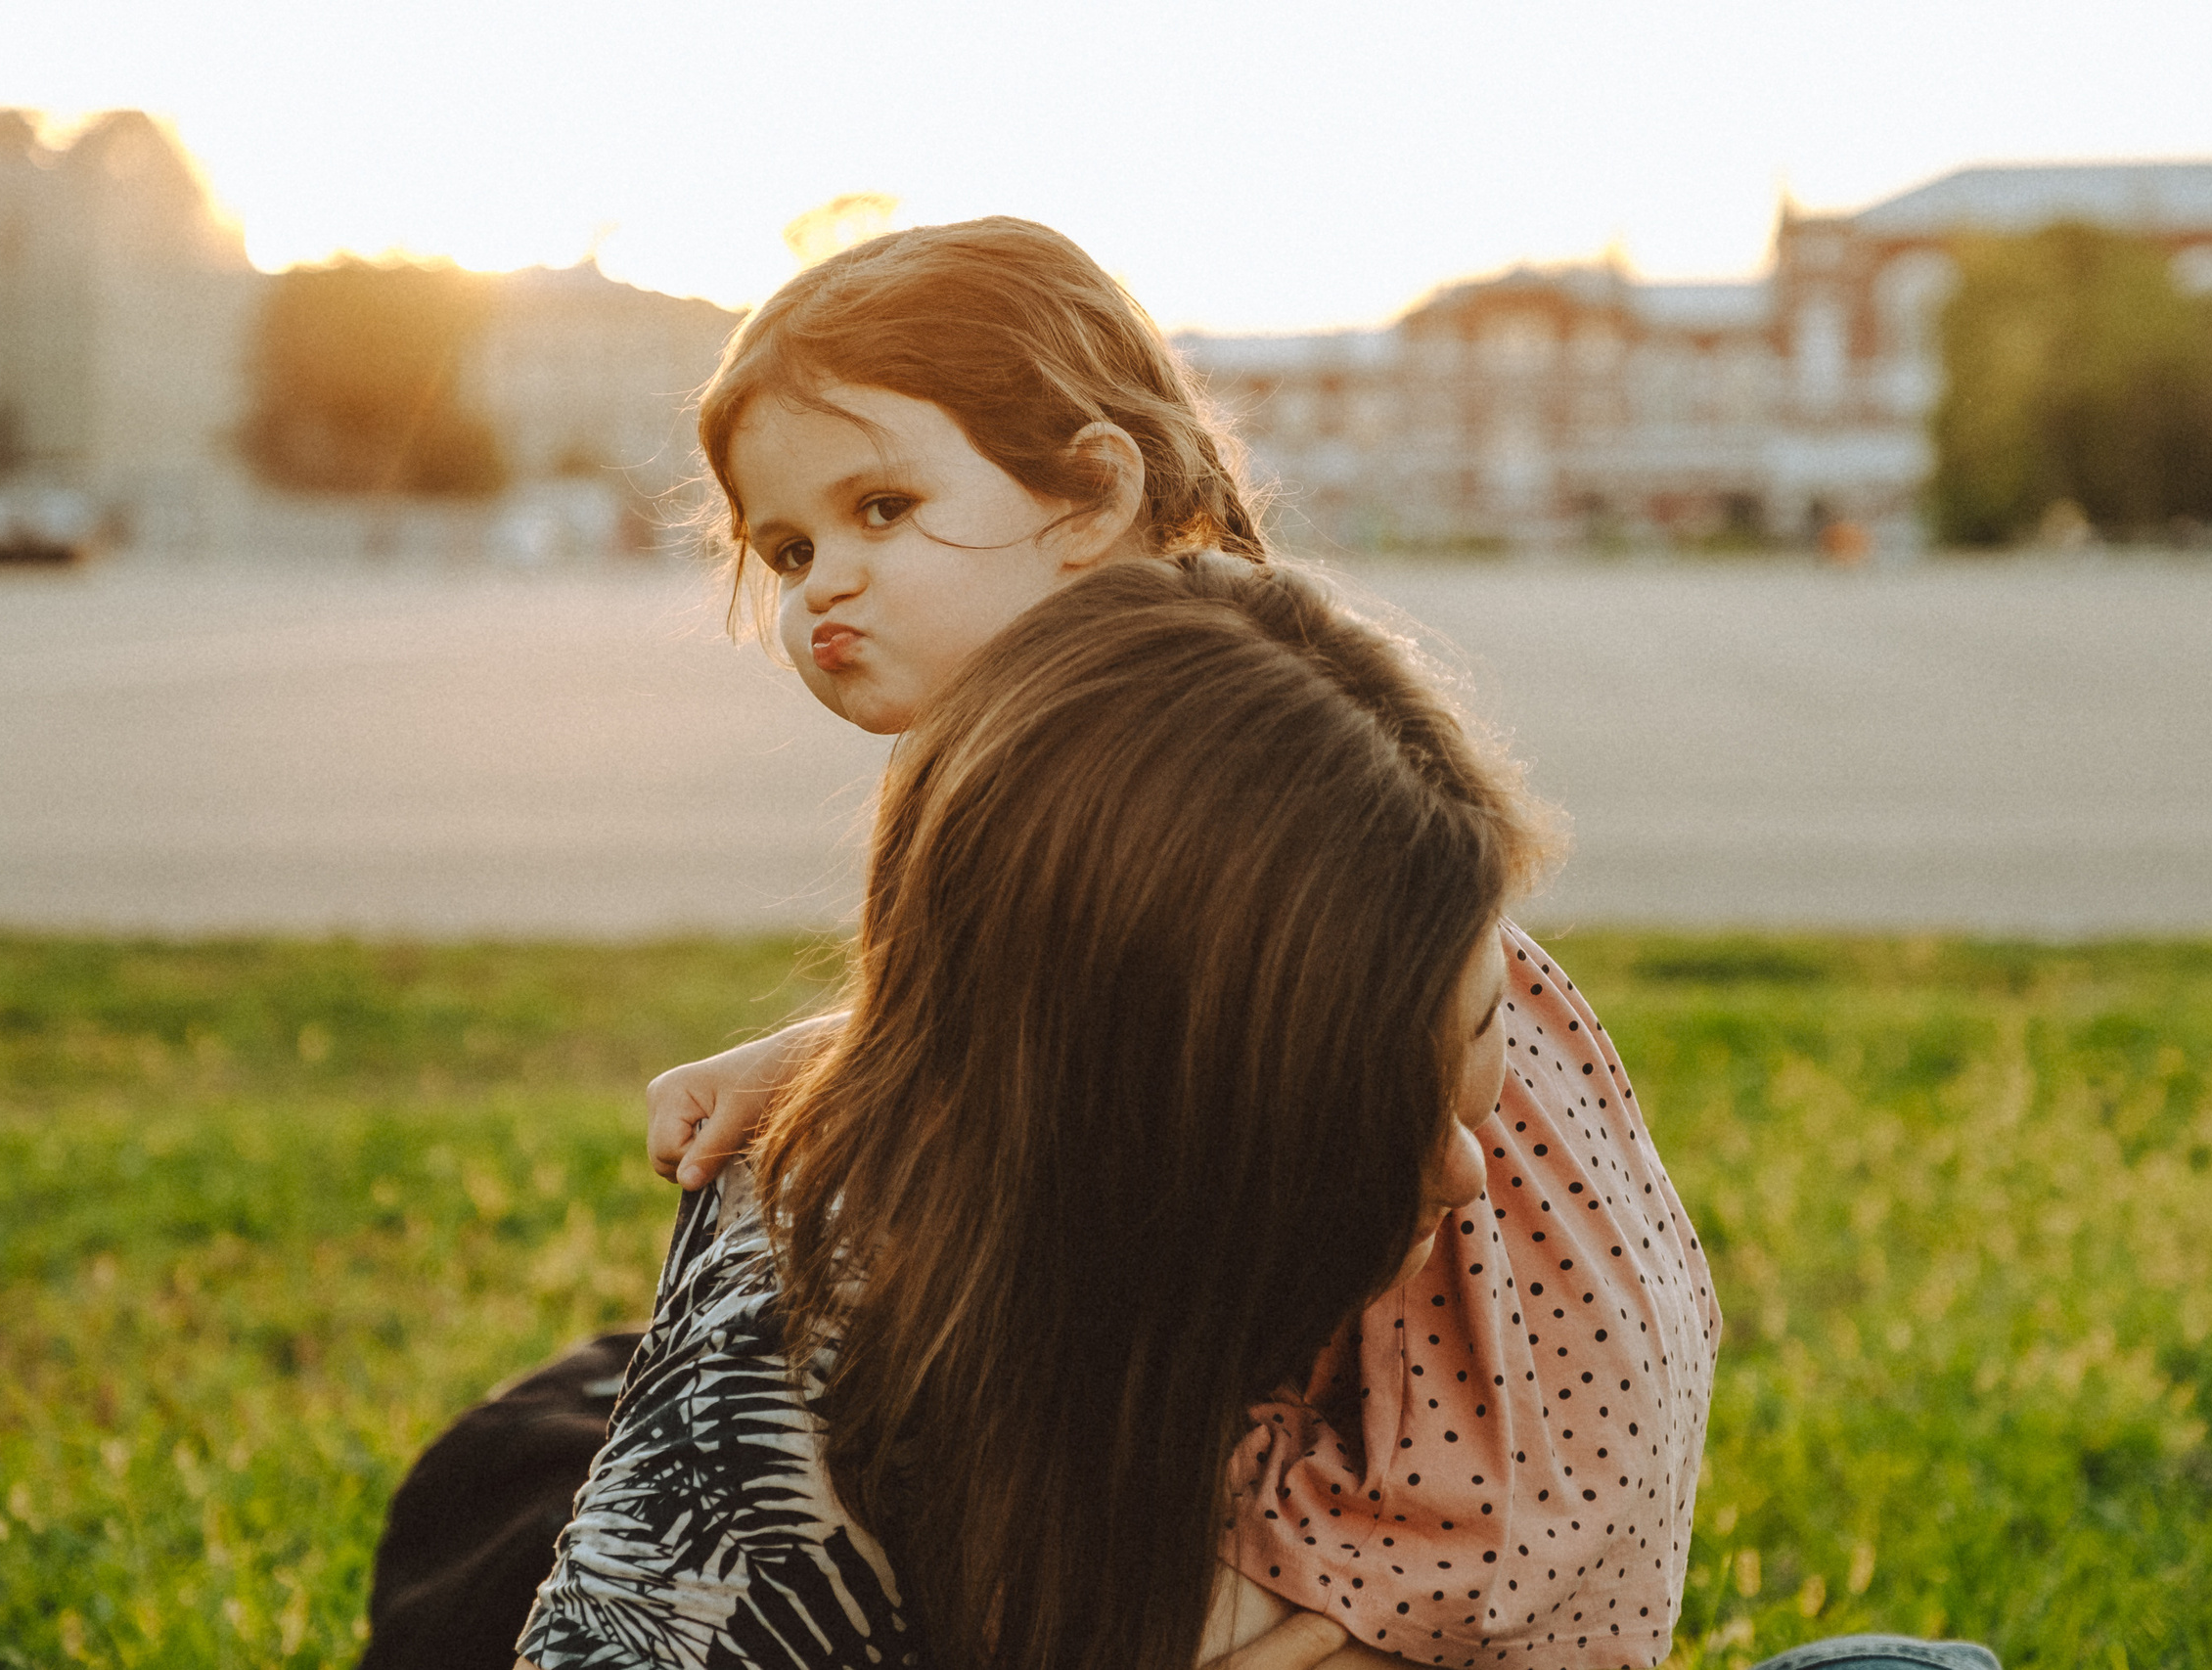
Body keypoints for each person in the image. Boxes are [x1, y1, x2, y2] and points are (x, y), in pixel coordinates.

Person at [629, 218, 1718, 1669]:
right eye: (787, 546)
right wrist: (827, 1050)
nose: (821, 581)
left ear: (1091, 490)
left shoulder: (1207, 736)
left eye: (882, 507)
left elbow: (1160, 1014)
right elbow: (1055, 1021)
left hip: (1470, 1377)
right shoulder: (1005, 751)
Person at [521, 554, 1555, 1670]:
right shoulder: (801, 1396)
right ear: (1160, 1129)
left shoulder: (1133, 1223)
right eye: (1360, 1121)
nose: (1466, 1174)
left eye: (1485, 1026)